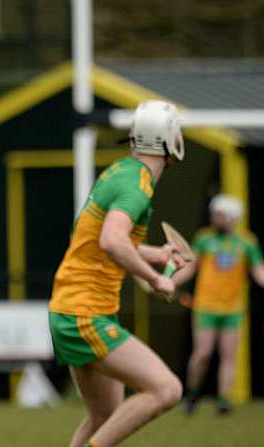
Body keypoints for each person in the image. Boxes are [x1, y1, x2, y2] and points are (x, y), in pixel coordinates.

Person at [48, 100, 188, 447]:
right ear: (169, 139)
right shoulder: (136, 184)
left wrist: (156, 254)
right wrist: (157, 279)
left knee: (104, 417)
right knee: (167, 389)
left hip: (73, 309)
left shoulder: (123, 171)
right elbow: (112, 240)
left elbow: (100, 238)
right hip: (84, 314)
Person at [172, 193, 264, 415]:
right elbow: (191, 267)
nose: (216, 218)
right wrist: (167, 282)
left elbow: (259, 270)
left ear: (234, 217)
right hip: (205, 307)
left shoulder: (247, 242)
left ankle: (224, 401)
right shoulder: (204, 238)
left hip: (233, 309)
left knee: (229, 355)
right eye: (215, 214)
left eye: (221, 214)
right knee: (203, 354)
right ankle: (192, 394)